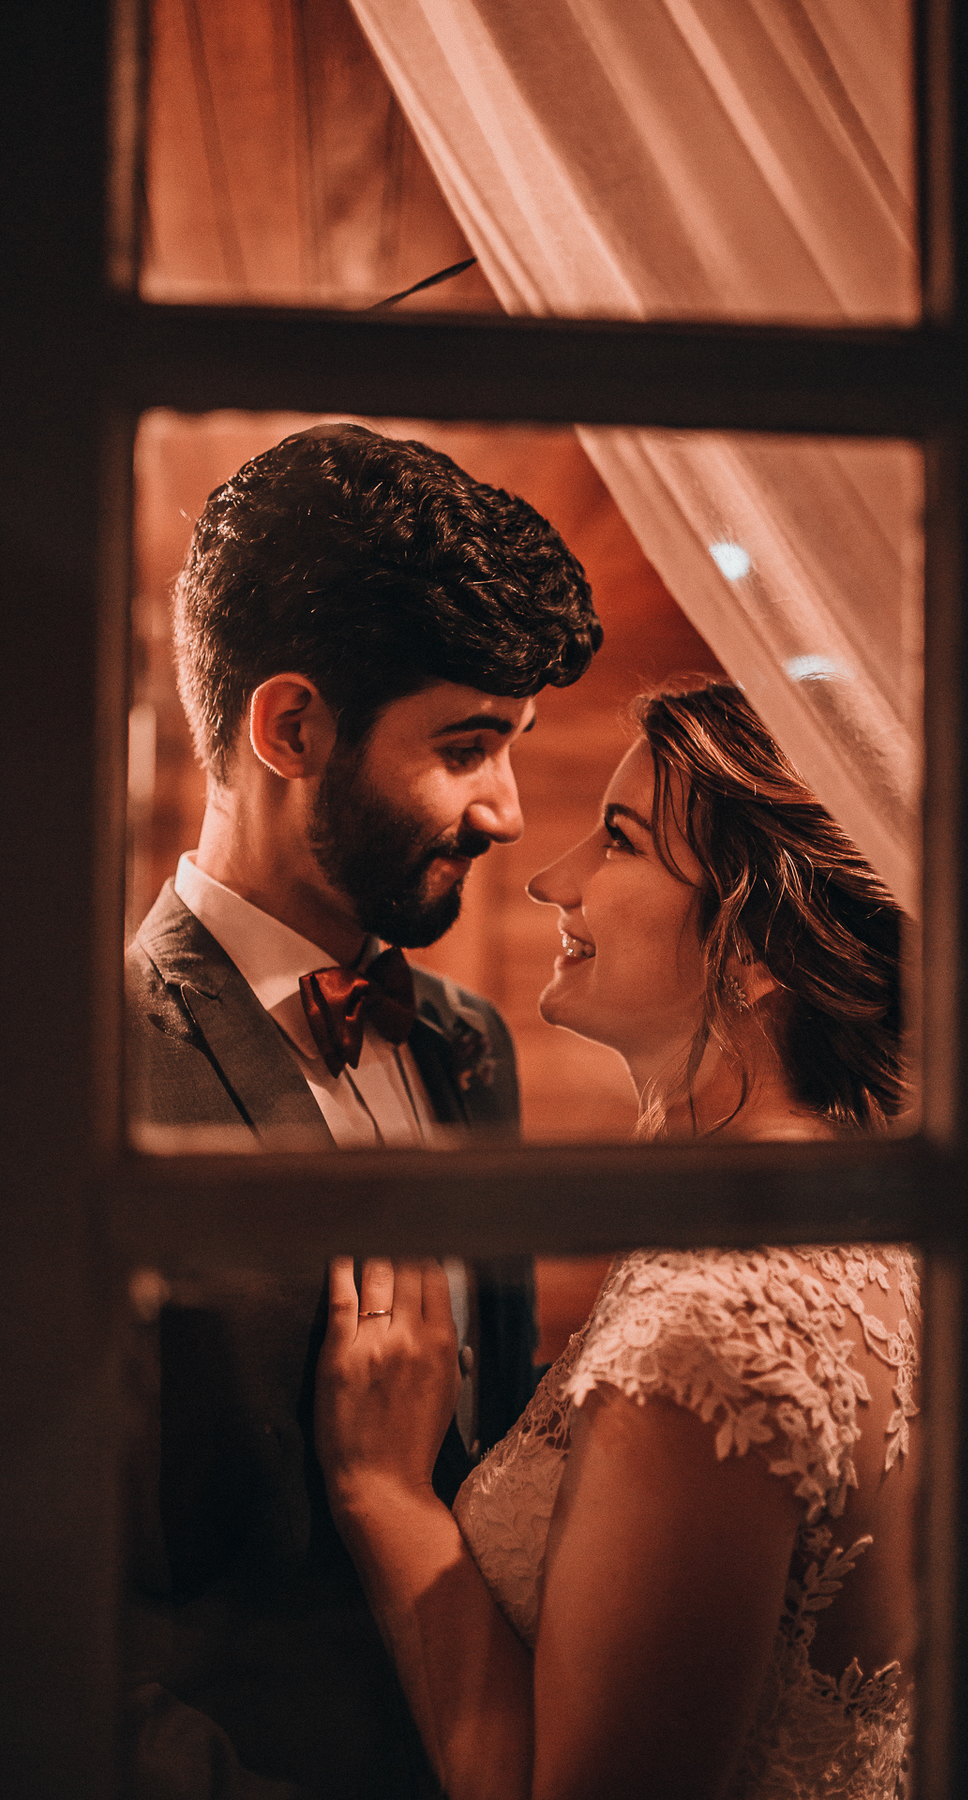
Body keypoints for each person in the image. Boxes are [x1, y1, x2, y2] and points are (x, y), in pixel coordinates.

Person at [314, 681, 919, 1800]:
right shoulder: (866, 1211)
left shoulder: (711, 1339)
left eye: (621, 841)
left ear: (758, 945)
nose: (552, 877)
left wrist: (383, 1492)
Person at [124, 423, 602, 1798]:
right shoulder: (77, 1081)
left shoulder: (471, 1046)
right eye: (466, 747)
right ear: (290, 728)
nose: (509, 812)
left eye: (516, 747)